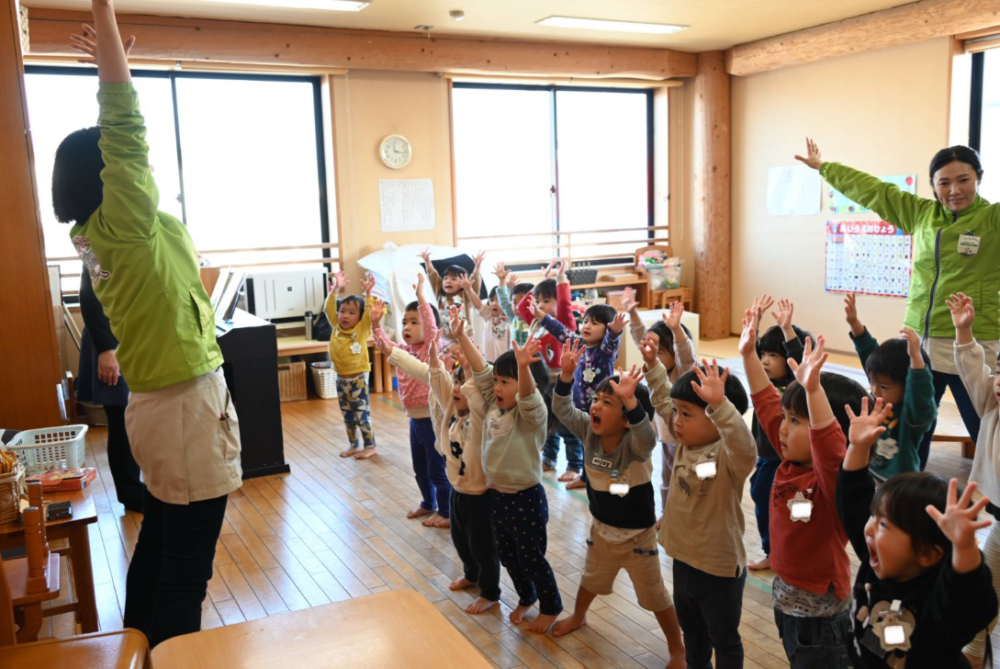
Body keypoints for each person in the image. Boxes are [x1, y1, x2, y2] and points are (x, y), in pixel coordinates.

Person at [58, 1, 241, 647]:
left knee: (162, 541)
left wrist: (122, 60)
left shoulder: (107, 234)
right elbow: (124, 125)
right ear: (104, 178)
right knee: (185, 568)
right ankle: (167, 657)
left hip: (165, 404)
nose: (136, 170)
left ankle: (138, 651)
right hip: (184, 408)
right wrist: (106, 21)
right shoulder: (123, 226)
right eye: (117, 166)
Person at [795, 138, 1000, 465]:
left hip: (972, 345)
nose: (954, 190)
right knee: (913, 426)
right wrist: (825, 168)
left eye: (964, 180)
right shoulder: (920, 215)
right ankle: (905, 491)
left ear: (979, 178)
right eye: (944, 182)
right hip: (920, 347)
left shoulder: (993, 220)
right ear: (933, 185)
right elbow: (874, 190)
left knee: (989, 431)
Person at [740, 308, 866, 667]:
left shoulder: (831, 478)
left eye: (795, 421)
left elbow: (828, 442)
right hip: (787, 601)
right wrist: (748, 354)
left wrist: (813, 391)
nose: (782, 426)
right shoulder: (789, 458)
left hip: (820, 619)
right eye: (787, 417)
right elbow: (765, 401)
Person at [549, 344, 685, 668]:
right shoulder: (588, 432)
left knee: (656, 597)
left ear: (626, 420)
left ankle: (678, 648)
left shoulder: (635, 445)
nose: (596, 405)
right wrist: (566, 376)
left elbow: (648, 438)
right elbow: (563, 410)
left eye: (607, 403)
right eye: (596, 399)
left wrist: (632, 403)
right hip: (601, 532)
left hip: (639, 539)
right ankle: (579, 615)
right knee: (590, 579)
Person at [839, 400, 998, 667]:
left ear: (926, 554)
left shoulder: (940, 605)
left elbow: (971, 602)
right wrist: (857, 448)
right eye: (873, 517)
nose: (868, 528)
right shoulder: (876, 557)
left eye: (884, 524)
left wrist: (965, 548)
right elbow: (853, 499)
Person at [646, 353, 754, 668]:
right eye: (677, 413)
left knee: (724, 639)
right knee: (692, 632)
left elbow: (745, 446)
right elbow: (666, 403)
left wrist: (721, 407)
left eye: (687, 414)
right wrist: (653, 365)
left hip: (718, 571)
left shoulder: (728, 455)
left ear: (717, 419)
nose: (677, 420)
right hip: (683, 561)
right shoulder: (685, 443)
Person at [383, 322, 499, 614]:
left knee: (483, 545)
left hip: (481, 493)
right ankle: (471, 574)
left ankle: (490, 591)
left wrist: (462, 346)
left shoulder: (483, 414)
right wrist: (434, 358)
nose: (460, 388)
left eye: (466, 384)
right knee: (461, 540)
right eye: (458, 382)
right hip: (458, 490)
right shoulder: (452, 402)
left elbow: (478, 383)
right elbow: (435, 377)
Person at [457, 329, 563, 633]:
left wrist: (524, 367)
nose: (498, 387)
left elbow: (528, 396)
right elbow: (480, 370)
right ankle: (526, 596)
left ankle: (551, 606)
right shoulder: (494, 403)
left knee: (531, 559)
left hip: (525, 500)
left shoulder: (531, 416)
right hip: (499, 498)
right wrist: (461, 334)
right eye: (498, 381)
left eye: (507, 381)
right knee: (508, 556)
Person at [370, 275, 451, 528]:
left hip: (432, 421)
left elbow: (431, 326)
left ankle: (447, 511)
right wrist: (375, 324)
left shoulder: (431, 349)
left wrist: (421, 299)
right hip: (414, 421)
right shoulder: (403, 352)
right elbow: (384, 344)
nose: (407, 326)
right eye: (405, 322)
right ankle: (429, 503)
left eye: (414, 322)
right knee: (420, 469)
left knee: (437, 469)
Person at [948, 292, 1000, 662]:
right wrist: (964, 332)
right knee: (987, 582)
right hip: (999, 518)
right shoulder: (991, 404)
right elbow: (974, 371)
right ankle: (977, 644)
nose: (997, 381)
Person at [745, 295, 810, 571]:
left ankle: (782, 551)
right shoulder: (766, 385)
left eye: (774, 355)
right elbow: (750, 354)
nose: (766, 361)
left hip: (784, 461)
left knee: (786, 507)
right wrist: (755, 324)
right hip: (766, 458)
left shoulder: (795, 388)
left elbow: (799, 361)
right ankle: (772, 550)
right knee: (761, 497)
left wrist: (787, 331)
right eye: (764, 355)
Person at [622, 294, 697, 526]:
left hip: (688, 439)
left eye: (660, 351)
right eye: (651, 349)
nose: (652, 354)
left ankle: (690, 514)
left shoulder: (683, 371)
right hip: (667, 438)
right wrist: (633, 313)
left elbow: (685, 352)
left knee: (688, 478)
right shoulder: (654, 365)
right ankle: (667, 512)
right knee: (666, 479)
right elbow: (640, 338)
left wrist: (677, 332)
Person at [844, 292, 936, 477]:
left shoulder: (911, 415)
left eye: (884, 387)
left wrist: (916, 358)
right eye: (872, 383)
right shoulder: (876, 401)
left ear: (907, 386)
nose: (875, 391)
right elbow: (869, 354)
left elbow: (920, 393)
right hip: (869, 474)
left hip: (896, 486)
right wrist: (855, 324)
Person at [76, 267, 144, 512]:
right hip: (109, 344)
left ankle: (137, 489)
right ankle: (131, 494)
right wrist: (106, 349)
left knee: (132, 420)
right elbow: (90, 298)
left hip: (125, 338)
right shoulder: (96, 244)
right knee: (122, 420)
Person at [322, 270, 377, 459]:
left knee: (362, 414)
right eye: (343, 311)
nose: (345, 315)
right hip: (340, 379)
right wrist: (336, 288)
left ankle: (370, 446)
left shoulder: (361, 329)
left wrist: (368, 295)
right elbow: (329, 307)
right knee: (348, 416)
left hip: (358, 379)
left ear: (359, 317)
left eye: (351, 313)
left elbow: (370, 315)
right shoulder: (336, 326)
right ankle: (354, 444)